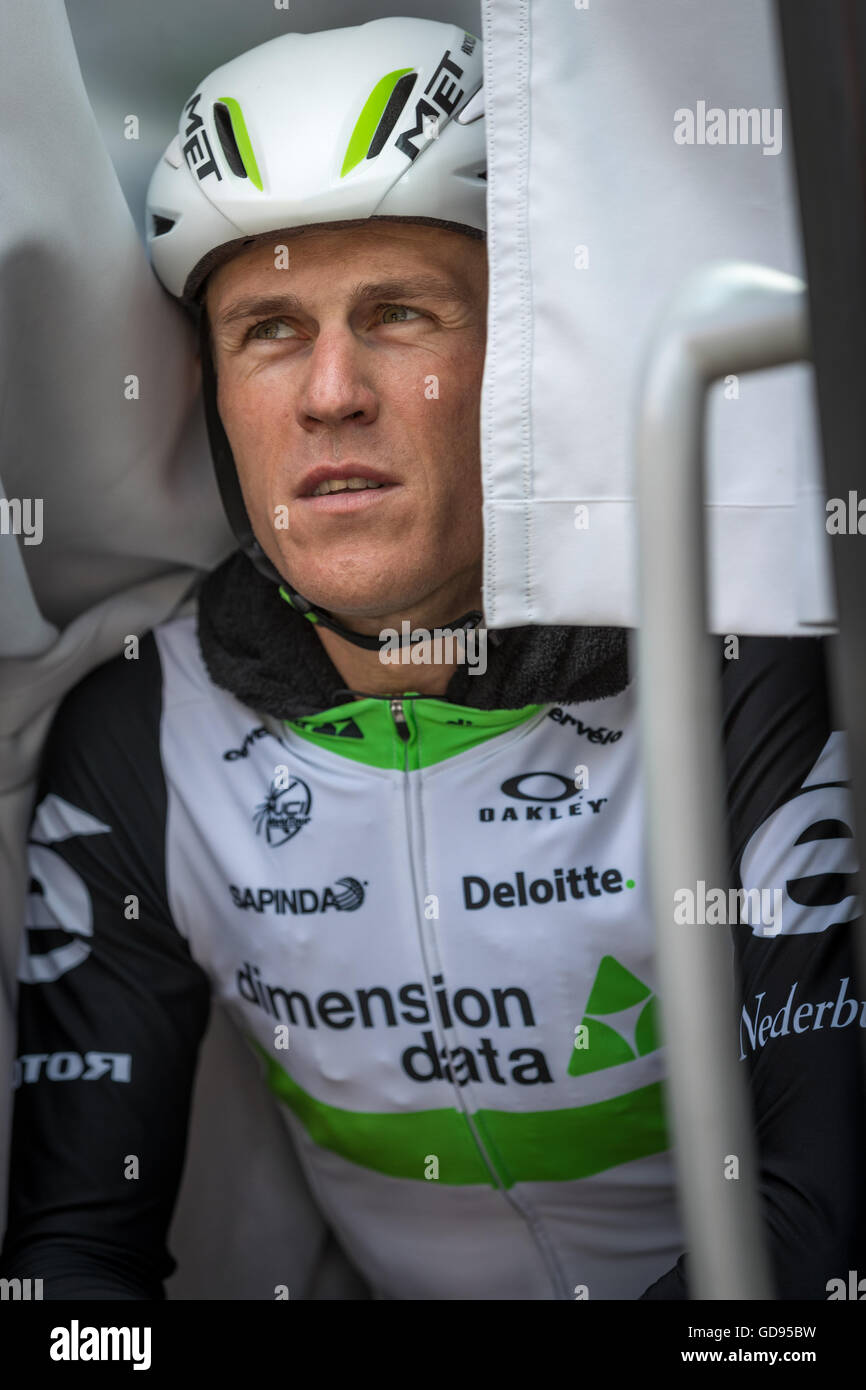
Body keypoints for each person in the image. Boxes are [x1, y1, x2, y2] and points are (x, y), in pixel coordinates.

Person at [1, 16, 864, 1301]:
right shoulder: (144, 728)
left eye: (399, 315)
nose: (330, 391)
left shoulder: (739, 664)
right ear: (213, 392)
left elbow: (822, 1230)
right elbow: (73, 1265)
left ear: (524, 367)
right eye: (270, 330)